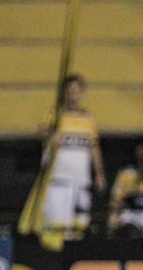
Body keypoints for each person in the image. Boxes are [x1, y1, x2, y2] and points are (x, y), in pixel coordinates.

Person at [22, 74, 106, 249]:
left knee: (79, 225)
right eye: (69, 91)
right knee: (56, 225)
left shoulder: (88, 118)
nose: (72, 95)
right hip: (58, 180)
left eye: (76, 91)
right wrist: (52, 136)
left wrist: (99, 173)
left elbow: (94, 147)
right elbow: (42, 132)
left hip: (81, 182)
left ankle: (75, 255)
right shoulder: (55, 114)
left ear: (81, 93)